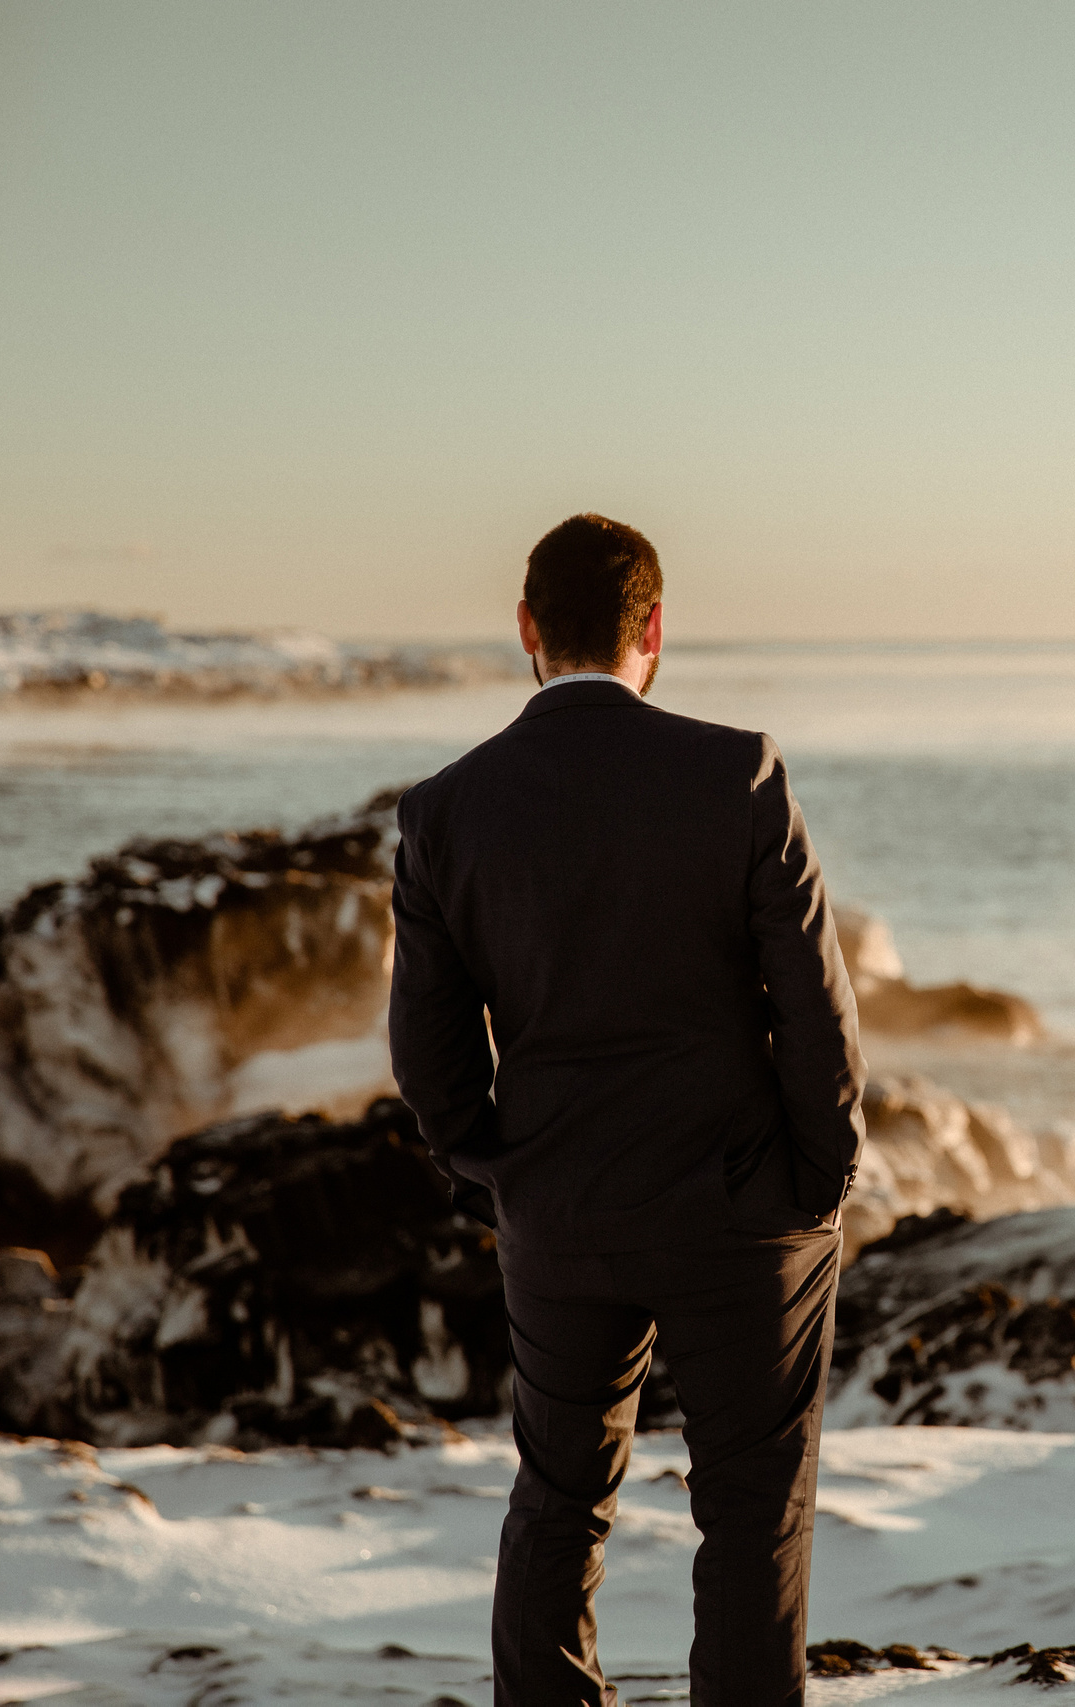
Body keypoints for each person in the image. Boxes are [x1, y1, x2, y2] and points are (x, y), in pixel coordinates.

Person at [386, 513, 866, 1707]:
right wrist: (819, 1177)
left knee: (557, 1498)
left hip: (559, 1210)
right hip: (740, 1208)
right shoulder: (737, 772)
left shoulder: (444, 810)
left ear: (526, 628)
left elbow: (430, 1056)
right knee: (751, 1509)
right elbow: (816, 1007)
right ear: (654, 629)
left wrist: (499, 1167)